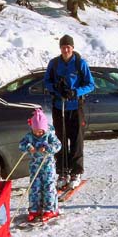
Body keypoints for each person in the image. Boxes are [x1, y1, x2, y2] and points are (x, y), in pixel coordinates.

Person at [43, 34, 95, 190]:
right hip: (59, 107)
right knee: (60, 140)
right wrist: (55, 88)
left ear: (72, 48)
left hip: (75, 107)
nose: (66, 50)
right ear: (60, 48)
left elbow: (91, 84)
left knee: (76, 141)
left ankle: (76, 172)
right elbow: (46, 81)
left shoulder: (80, 63)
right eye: (63, 47)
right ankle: (62, 171)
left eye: (68, 47)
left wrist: (76, 92)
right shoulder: (54, 63)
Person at [18, 108, 62, 222]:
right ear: (32, 128)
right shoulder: (29, 136)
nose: (39, 133)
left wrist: (48, 147)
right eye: (36, 131)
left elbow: (58, 145)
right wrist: (28, 147)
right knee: (35, 187)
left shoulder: (49, 135)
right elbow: (21, 145)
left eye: (41, 131)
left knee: (48, 187)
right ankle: (34, 209)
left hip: (48, 166)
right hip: (35, 166)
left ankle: (50, 209)